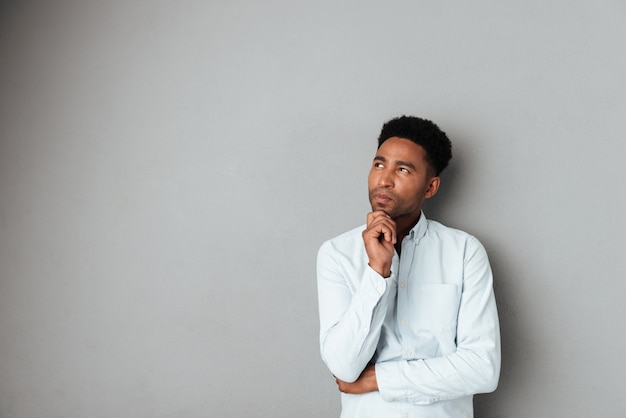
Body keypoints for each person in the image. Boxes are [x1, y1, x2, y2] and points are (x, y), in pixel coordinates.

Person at [316, 116, 500, 417]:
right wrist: (378, 271)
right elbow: (344, 368)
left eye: (402, 169)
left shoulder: (465, 252)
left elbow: (482, 368)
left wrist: (380, 379)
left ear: (431, 187)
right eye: (379, 165)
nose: (384, 179)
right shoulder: (336, 254)